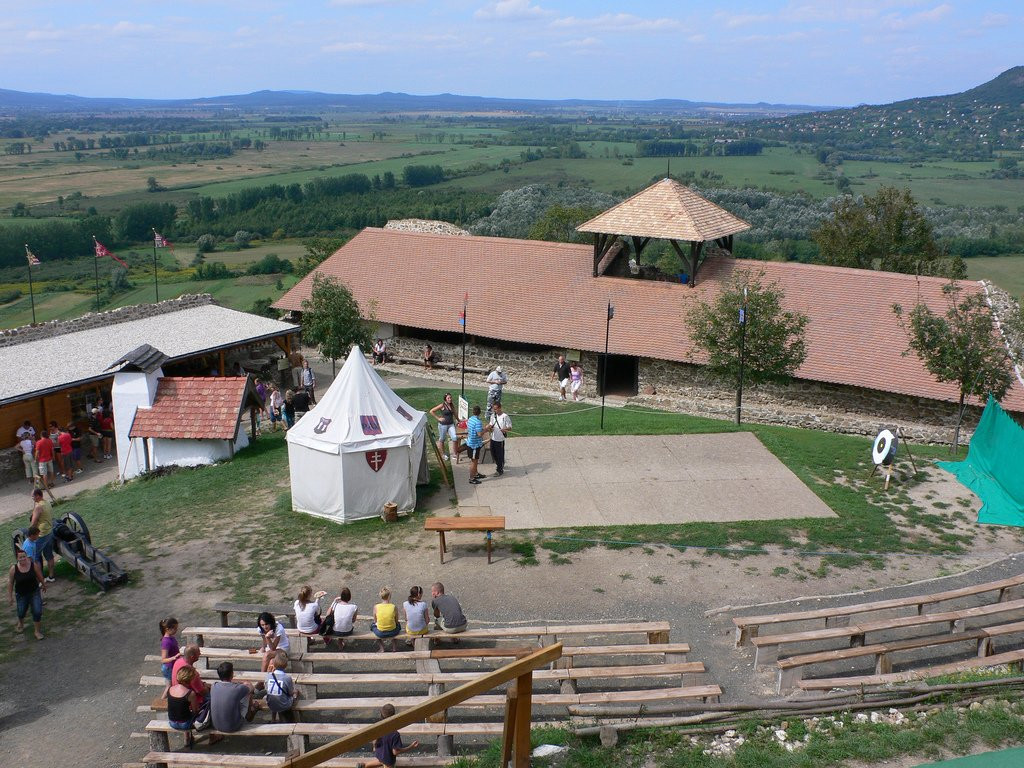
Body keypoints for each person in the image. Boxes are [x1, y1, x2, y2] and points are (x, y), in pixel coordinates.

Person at [210, 661, 258, 733]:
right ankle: (250, 715)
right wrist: (247, 683)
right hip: (233, 726)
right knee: (248, 694)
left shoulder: (214, 686)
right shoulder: (238, 688)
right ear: (232, 674)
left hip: (216, 725)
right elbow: (251, 688)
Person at [8, 547, 45, 640]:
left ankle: (37, 631)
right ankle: (21, 622)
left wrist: (43, 584)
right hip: (21, 594)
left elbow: (39, 575)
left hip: (34, 592)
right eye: (20, 557)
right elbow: (10, 582)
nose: (23, 559)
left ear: (26, 556)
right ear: (17, 558)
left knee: (37, 611)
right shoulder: (13, 569)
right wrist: (10, 596)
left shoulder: (33, 565)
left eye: (24, 556)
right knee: (21, 612)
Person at [172, 644, 212, 730]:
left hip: (176, 696)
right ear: (192, 656)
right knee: (211, 700)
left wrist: (202, 683)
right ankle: (212, 733)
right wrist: (209, 688)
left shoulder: (178, 662)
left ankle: (187, 736)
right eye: (198, 653)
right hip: (188, 702)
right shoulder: (192, 673)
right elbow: (202, 692)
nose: (200, 654)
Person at [368, 703, 419, 768]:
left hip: (379, 755)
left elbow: (374, 741)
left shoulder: (378, 727)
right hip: (388, 761)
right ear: (394, 716)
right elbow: (395, 752)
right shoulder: (395, 734)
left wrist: (374, 747)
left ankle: (364, 765)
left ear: (381, 715)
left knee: (381, 761)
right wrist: (410, 747)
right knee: (386, 763)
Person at [167, 666, 201, 747]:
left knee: (184, 713)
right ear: (189, 680)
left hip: (172, 722)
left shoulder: (170, 689)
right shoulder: (190, 693)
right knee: (203, 714)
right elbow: (195, 711)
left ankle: (187, 738)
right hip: (185, 724)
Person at [264, 650, 300, 723]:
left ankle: (273, 719)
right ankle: (293, 719)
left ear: (273, 663)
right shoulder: (287, 678)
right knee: (295, 693)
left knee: (272, 695)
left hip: (271, 704)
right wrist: (295, 692)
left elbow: (266, 688)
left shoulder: (268, 676)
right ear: (286, 665)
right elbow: (290, 692)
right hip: (284, 705)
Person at [29, 489, 56, 583]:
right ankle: (51, 576)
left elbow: (33, 523)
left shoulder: (38, 507)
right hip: (49, 532)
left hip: (41, 534)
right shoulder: (47, 503)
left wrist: (29, 533)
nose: (32, 498)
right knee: (49, 555)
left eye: (33, 496)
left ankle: (40, 580)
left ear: (38, 496)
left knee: (35, 557)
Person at [371, 587, 401, 653]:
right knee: (398, 625)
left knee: (372, 626)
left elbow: (375, 621)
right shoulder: (393, 607)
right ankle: (394, 648)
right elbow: (396, 620)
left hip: (380, 632)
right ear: (389, 596)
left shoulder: (376, 607)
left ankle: (382, 648)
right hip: (393, 631)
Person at [159, 617, 183, 699]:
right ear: (167, 629)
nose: (176, 630)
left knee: (173, 685)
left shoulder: (171, 637)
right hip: (169, 668)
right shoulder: (166, 642)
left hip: (173, 666)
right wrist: (173, 658)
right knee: (169, 686)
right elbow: (163, 659)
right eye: (175, 628)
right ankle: (162, 701)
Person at [429, 393, 456, 461]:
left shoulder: (452, 405)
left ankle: (454, 454)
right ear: (445, 399)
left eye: (450, 398)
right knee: (442, 439)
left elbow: (455, 413)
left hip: (451, 424)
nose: (450, 399)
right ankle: (443, 454)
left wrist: (459, 420)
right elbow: (431, 411)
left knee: (455, 437)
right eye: (448, 398)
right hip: (443, 425)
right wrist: (438, 418)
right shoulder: (442, 405)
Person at [488, 402, 512, 476]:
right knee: (493, 454)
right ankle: (501, 463)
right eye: (494, 409)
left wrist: (505, 429)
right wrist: (489, 427)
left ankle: (499, 470)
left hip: (500, 439)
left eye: (496, 409)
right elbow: (491, 424)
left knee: (499, 455)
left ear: (500, 408)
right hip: (493, 438)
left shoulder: (505, 416)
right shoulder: (493, 416)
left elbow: (510, 428)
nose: (494, 411)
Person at [466, 405, 485, 485]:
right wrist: (486, 430)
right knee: (474, 462)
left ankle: (476, 474)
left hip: (470, 443)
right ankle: (471, 478)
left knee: (475, 461)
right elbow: (479, 434)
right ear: (479, 412)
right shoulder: (478, 422)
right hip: (474, 445)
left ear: (473, 412)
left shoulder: (470, 419)